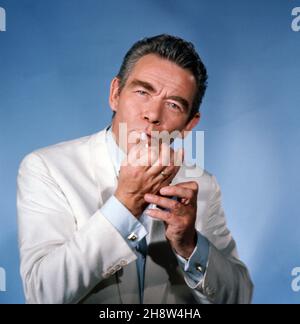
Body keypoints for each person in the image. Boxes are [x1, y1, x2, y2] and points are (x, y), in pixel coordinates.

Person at [17, 34, 253, 304]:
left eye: (174, 105)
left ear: (189, 125)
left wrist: (190, 246)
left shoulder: (203, 185)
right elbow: (42, 294)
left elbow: (239, 296)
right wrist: (125, 204)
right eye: (143, 92)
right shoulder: (47, 168)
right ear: (115, 94)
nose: (153, 115)